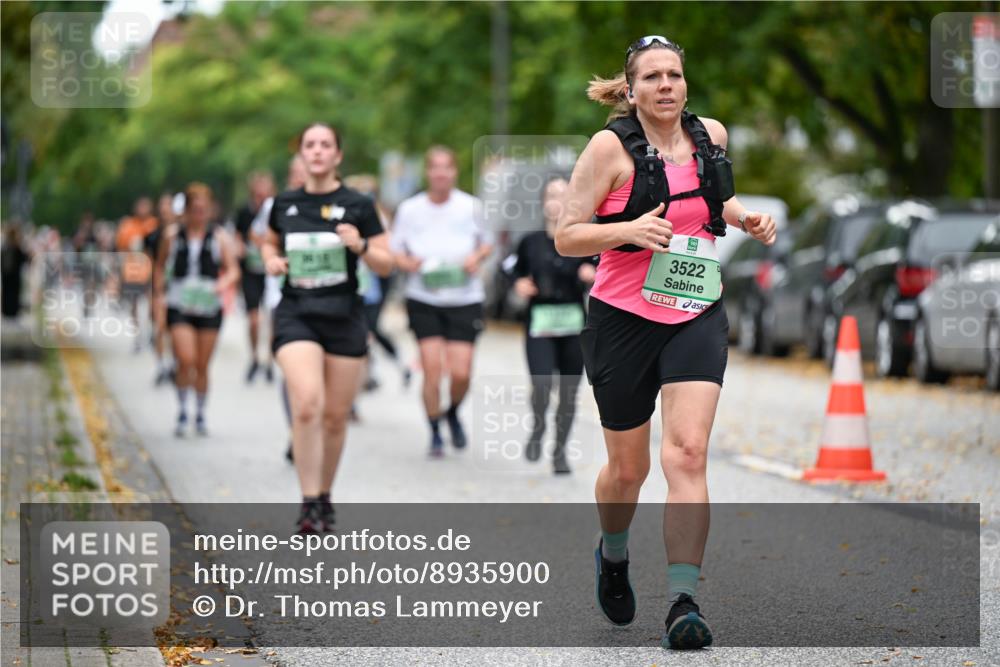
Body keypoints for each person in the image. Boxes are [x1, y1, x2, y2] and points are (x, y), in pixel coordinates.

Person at [555, 36, 776, 650]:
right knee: (629, 471)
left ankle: (684, 601)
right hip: (622, 318)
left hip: (695, 309)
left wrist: (743, 217)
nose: (665, 86)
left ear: (685, 82)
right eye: (651, 77)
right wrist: (626, 228)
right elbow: (567, 236)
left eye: (674, 75)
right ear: (631, 90)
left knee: (687, 453)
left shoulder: (712, 136)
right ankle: (615, 554)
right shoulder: (608, 149)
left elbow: (711, 200)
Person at [261, 123, 393, 533]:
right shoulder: (284, 203)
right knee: (307, 404)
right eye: (309, 145)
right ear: (301, 154)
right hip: (296, 313)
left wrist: (362, 246)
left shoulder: (358, 204)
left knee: (335, 418)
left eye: (325, 145)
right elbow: (267, 241)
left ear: (337, 155)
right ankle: (307, 502)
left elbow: (387, 262)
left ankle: (323, 496)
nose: (317, 151)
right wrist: (271, 258)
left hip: (344, 317)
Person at [390, 146, 493, 457]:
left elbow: (487, 244)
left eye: (446, 167)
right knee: (432, 371)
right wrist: (409, 264)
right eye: (434, 168)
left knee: (461, 373)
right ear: (427, 172)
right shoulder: (410, 209)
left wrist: (475, 259)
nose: (440, 173)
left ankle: (452, 413)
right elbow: (396, 250)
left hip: (464, 297)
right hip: (424, 297)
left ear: (454, 172)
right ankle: (435, 429)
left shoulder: (471, 206)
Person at [509, 177, 596, 475]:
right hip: (540, 323)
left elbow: (605, 270)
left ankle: (559, 450)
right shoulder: (530, 242)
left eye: (562, 194)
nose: (555, 200)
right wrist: (518, 284)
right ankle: (538, 424)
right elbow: (511, 270)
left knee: (569, 392)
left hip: (573, 324)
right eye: (550, 194)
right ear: (543, 202)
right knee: (542, 384)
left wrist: (592, 273)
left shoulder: (585, 241)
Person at [155, 183, 240, 437]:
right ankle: (182, 410)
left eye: (204, 209)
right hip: (180, 303)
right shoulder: (172, 236)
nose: (200, 214)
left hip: (208, 306)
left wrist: (222, 284)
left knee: (202, 365)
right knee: (186, 359)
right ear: (187, 211)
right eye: (195, 209)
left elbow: (234, 270)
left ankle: (200, 413)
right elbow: (159, 266)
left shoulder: (219, 237)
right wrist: (158, 293)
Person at [343, 174, 411, 392]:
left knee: (370, 328)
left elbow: (388, 253)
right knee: (357, 332)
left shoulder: (379, 217)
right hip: (349, 283)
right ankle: (363, 377)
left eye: (367, 192)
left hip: (374, 282)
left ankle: (396, 364)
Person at [234, 171, 277, 384]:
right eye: (257, 192)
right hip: (251, 271)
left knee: (271, 319)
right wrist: (240, 247)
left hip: (271, 272)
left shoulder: (276, 210)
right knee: (254, 320)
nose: (261, 196)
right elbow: (238, 237)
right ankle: (254, 358)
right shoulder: (244, 211)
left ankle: (269, 361)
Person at [116, 196, 158, 352]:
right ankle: (137, 335)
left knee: (151, 303)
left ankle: (151, 330)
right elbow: (120, 247)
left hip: (150, 269)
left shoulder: (154, 225)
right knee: (133, 304)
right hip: (132, 271)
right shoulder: (128, 225)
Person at [147, 192, 176, 385]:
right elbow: (149, 262)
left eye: (169, 207)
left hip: (177, 287)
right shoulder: (152, 236)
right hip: (158, 286)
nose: (165, 211)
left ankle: (174, 363)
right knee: (159, 326)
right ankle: (161, 364)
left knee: (174, 328)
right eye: (162, 208)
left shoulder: (181, 234)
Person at [1, 224, 30, 319]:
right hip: (13, 275)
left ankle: (7, 311)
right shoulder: (15, 246)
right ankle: (11, 312)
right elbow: (24, 258)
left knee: (7, 293)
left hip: (6, 274)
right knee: (12, 293)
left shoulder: (5, 246)